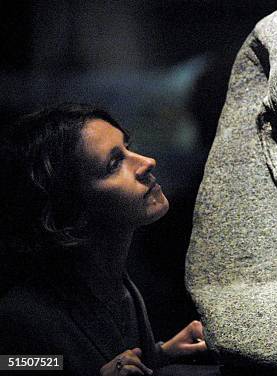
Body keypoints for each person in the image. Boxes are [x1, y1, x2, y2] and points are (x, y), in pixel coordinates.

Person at [0, 104, 208, 375]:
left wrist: (161, 353)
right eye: (114, 164)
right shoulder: (22, 316)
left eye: (127, 148)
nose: (146, 162)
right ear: (69, 209)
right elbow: (13, 363)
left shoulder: (115, 282)